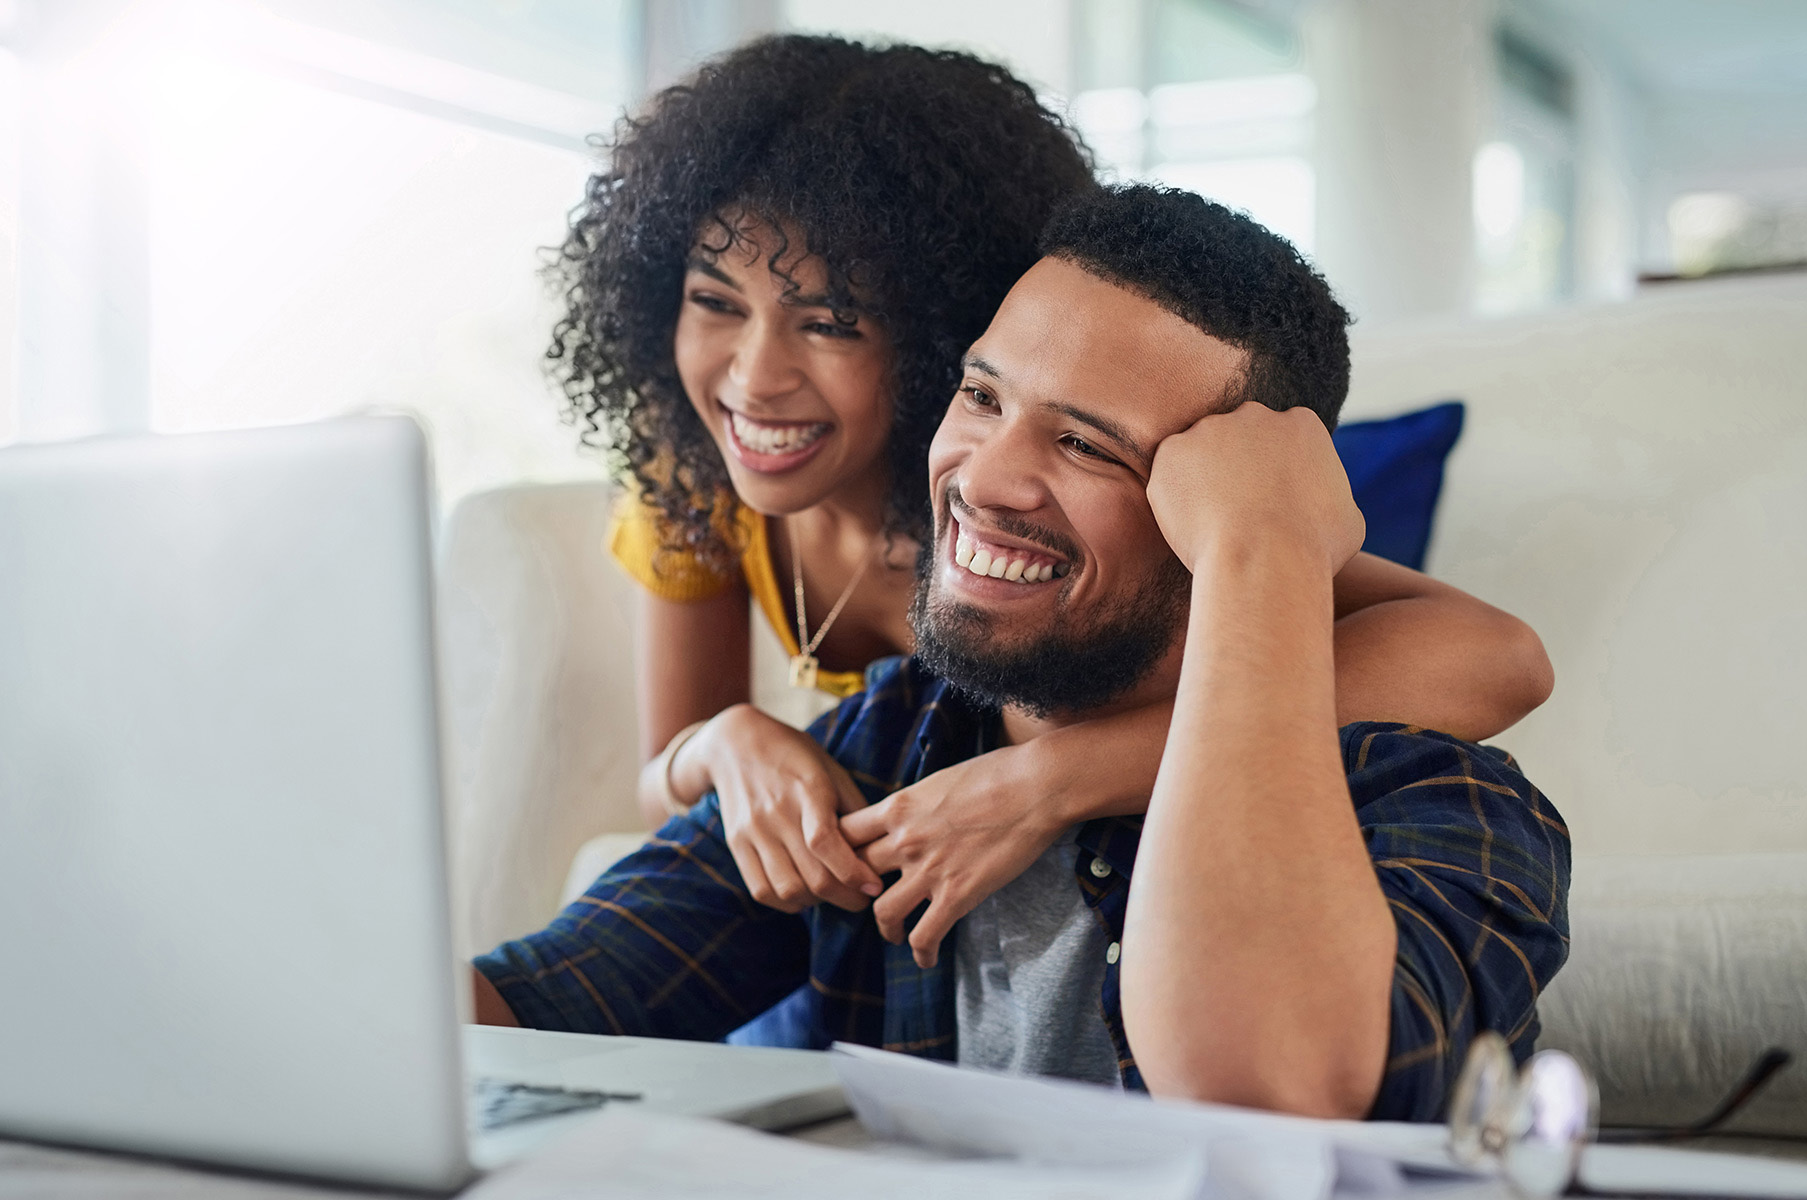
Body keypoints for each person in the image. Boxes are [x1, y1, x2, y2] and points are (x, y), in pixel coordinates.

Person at [476, 185, 1572, 1120]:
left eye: (1087, 443)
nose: (984, 478)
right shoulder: (897, 737)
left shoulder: (1442, 808)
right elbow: (528, 1003)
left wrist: (1265, 547)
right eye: (981, 396)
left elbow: (1263, 1094)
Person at [551, 35, 1553, 959]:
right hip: (887, 914)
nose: (754, 379)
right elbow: (663, 791)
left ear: (943, 334)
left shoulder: (1011, 498)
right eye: (715, 303)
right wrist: (726, 747)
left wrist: (1047, 780)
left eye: (832, 324)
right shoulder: (696, 487)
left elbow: (1497, 657)